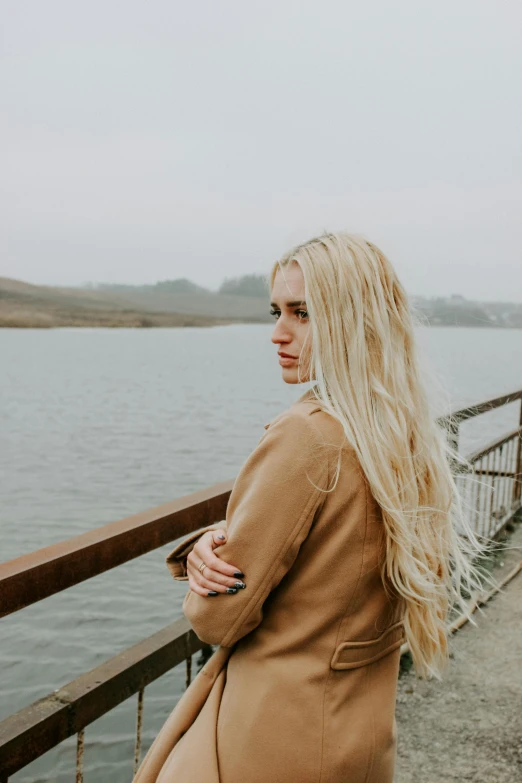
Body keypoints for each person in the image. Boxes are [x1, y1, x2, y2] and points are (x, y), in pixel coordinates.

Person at [133, 232, 485, 783]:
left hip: (269, 737)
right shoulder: (402, 435)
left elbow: (217, 618)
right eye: (277, 311)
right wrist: (222, 534)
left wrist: (205, 563)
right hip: (358, 734)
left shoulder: (308, 437)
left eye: (303, 313)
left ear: (356, 318)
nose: (278, 333)